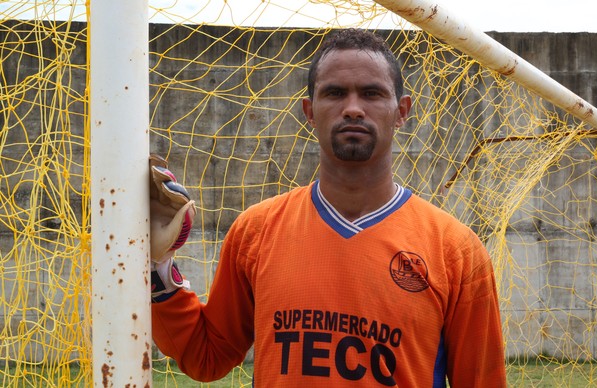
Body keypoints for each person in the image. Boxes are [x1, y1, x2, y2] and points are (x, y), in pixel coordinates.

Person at [149, 28, 507, 387]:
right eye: (335, 93)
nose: (353, 108)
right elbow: (206, 358)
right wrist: (157, 269)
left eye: (371, 93)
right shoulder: (255, 231)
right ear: (310, 111)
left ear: (401, 112)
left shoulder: (457, 251)